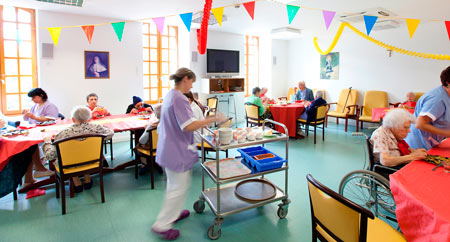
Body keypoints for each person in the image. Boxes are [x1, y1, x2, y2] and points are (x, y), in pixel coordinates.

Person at [151, 68, 225, 240]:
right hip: (176, 150)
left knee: (175, 185)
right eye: (191, 82)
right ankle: (162, 225)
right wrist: (213, 119)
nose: (191, 86)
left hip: (169, 148)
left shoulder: (170, 95)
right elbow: (188, 125)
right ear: (185, 79)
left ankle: (174, 213)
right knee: (178, 188)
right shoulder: (179, 99)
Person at [42, 106, 114, 193]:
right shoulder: (97, 128)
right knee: (85, 153)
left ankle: (76, 180)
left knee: (70, 156)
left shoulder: (63, 133)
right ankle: (87, 177)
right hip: (92, 161)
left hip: (70, 164)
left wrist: (47, 142)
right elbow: (110, 133)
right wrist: (105, 127)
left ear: (72, 119)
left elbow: (51, 155)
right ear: (90, 118)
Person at [405, 66, 450, 150]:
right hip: (419, 145)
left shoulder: (447, 96)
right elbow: (420, 124)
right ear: (448, 83)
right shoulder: (437, 99)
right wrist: (447, 133)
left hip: (432, 142)